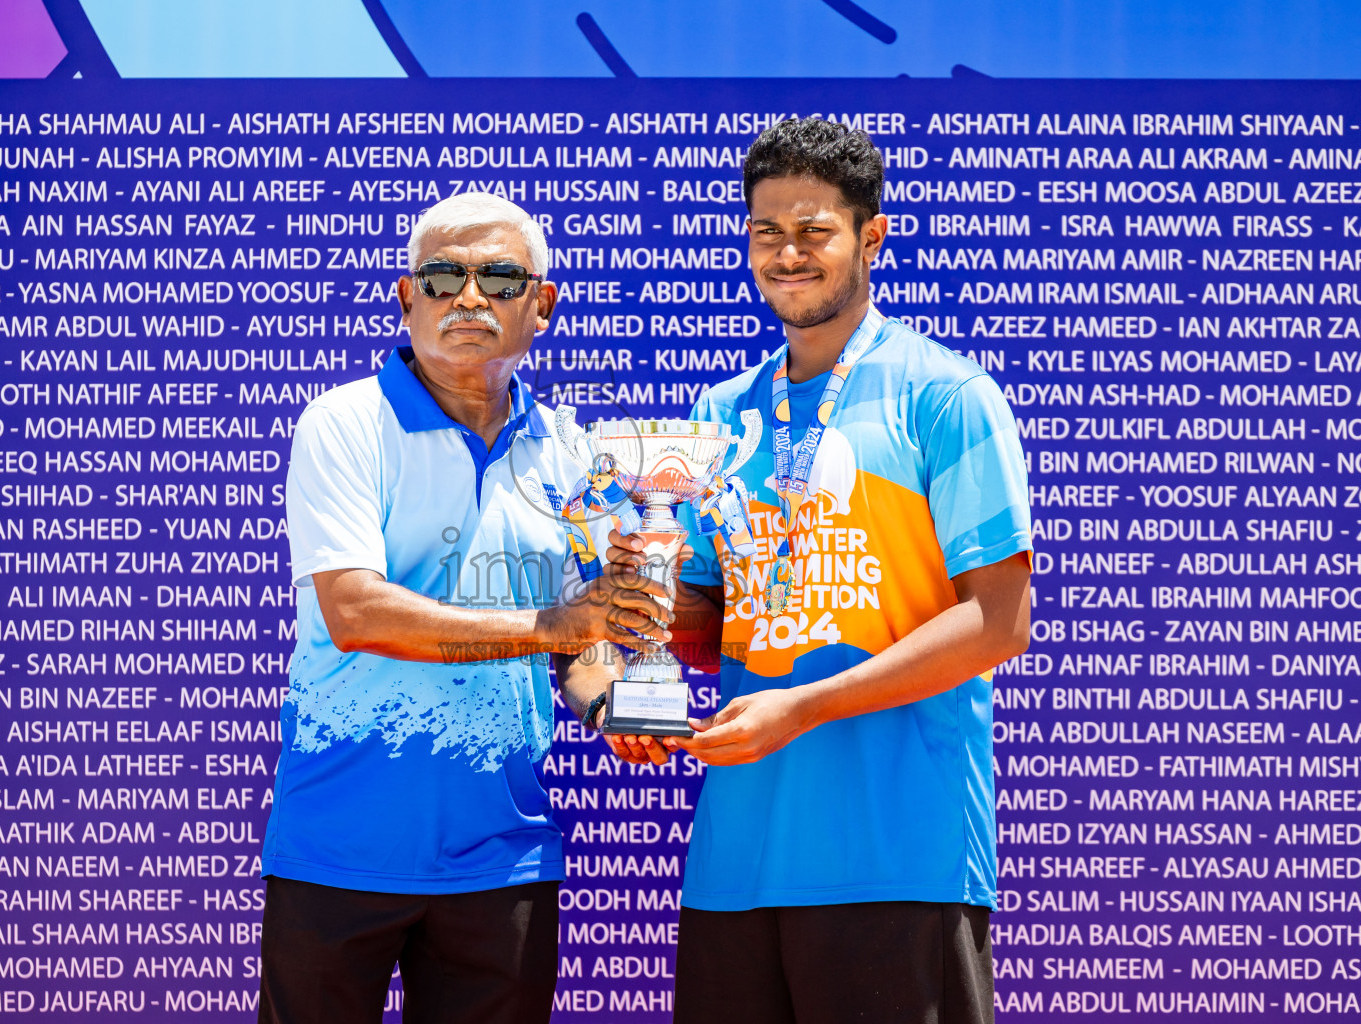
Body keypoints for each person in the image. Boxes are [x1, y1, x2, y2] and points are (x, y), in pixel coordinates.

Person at [609, 119, 1033, 1023]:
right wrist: (634, 633)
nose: (788, 255)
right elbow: (714, 621)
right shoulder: (720, 412)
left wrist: (802, 707)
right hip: (739, 863)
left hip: (898, 858)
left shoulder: (945, 394)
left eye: (815, 231)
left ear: (870, 235)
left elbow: (999, 623)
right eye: (768, 233)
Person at [258, 191, 669, 1024]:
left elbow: (582, 645)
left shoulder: (573, 452)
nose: (469, 298)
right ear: (407, 298)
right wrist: (561, 626)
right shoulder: (344, 424)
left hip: (503, 857)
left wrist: (614, 705)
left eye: (500, 278)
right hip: (338, 852)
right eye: (443, 277)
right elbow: (357, 612)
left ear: (542, 304)